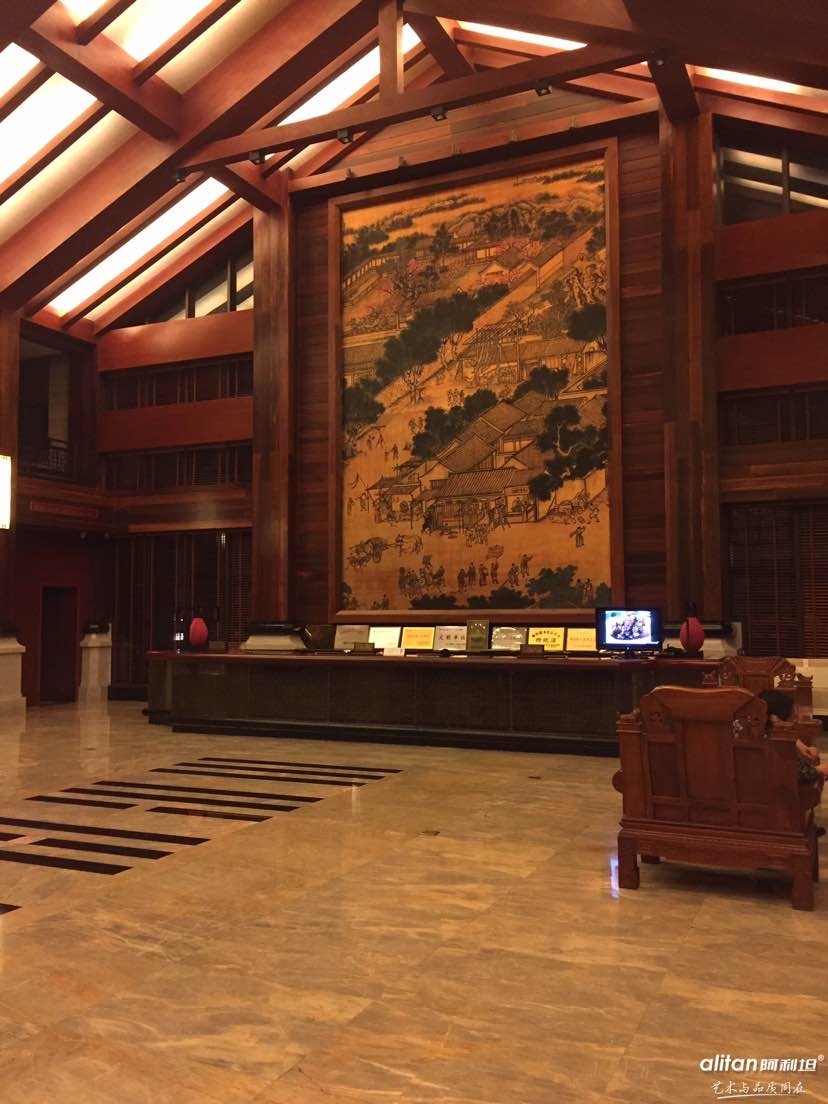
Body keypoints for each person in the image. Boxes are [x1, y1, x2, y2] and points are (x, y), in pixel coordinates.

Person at [759, 689, 828, 786]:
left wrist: (801, 746)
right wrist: (820, 770)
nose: (794, 721)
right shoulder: (769, 741)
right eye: (791, 716)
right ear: (775, 718)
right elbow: (790, 774)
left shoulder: (759, 728)